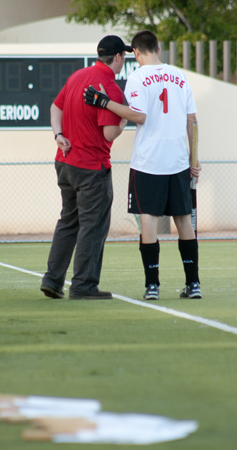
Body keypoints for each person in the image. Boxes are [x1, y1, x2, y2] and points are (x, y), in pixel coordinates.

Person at [84, 30, 202, 300]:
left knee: (148, 223)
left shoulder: (137, 77)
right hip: (178, 160)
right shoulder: (180, 76)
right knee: (184, 221)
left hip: (149, 162)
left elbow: (139, 115)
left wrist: (105, 102)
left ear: (135, 53)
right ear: (158, 49)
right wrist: (194, 158)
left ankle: (153, 286)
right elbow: (192, 120)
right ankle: (193, 284)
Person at [41, 35, 143, 300]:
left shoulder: (78, 76)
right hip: (91, 167)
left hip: (65, 161)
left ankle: (52, 280)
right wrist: (123, 119)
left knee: (68, 222)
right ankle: (83, 286)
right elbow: (109, 133)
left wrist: (58, 134)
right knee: (92, 226)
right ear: (118, 57)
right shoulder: (110, 87)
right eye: (124, 56)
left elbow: (55, 107)